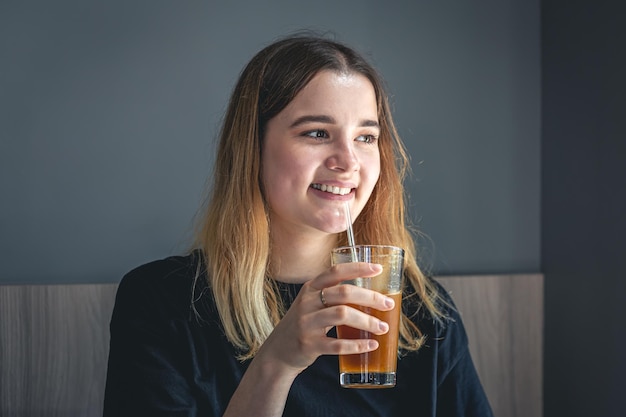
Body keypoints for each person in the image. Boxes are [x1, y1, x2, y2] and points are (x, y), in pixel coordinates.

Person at [103, 33, 494, 417]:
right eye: (317, 133)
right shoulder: (160, 303)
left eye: (365, 136)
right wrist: (276, 364)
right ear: (252, 149)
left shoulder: (423, 311)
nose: (348, 161)